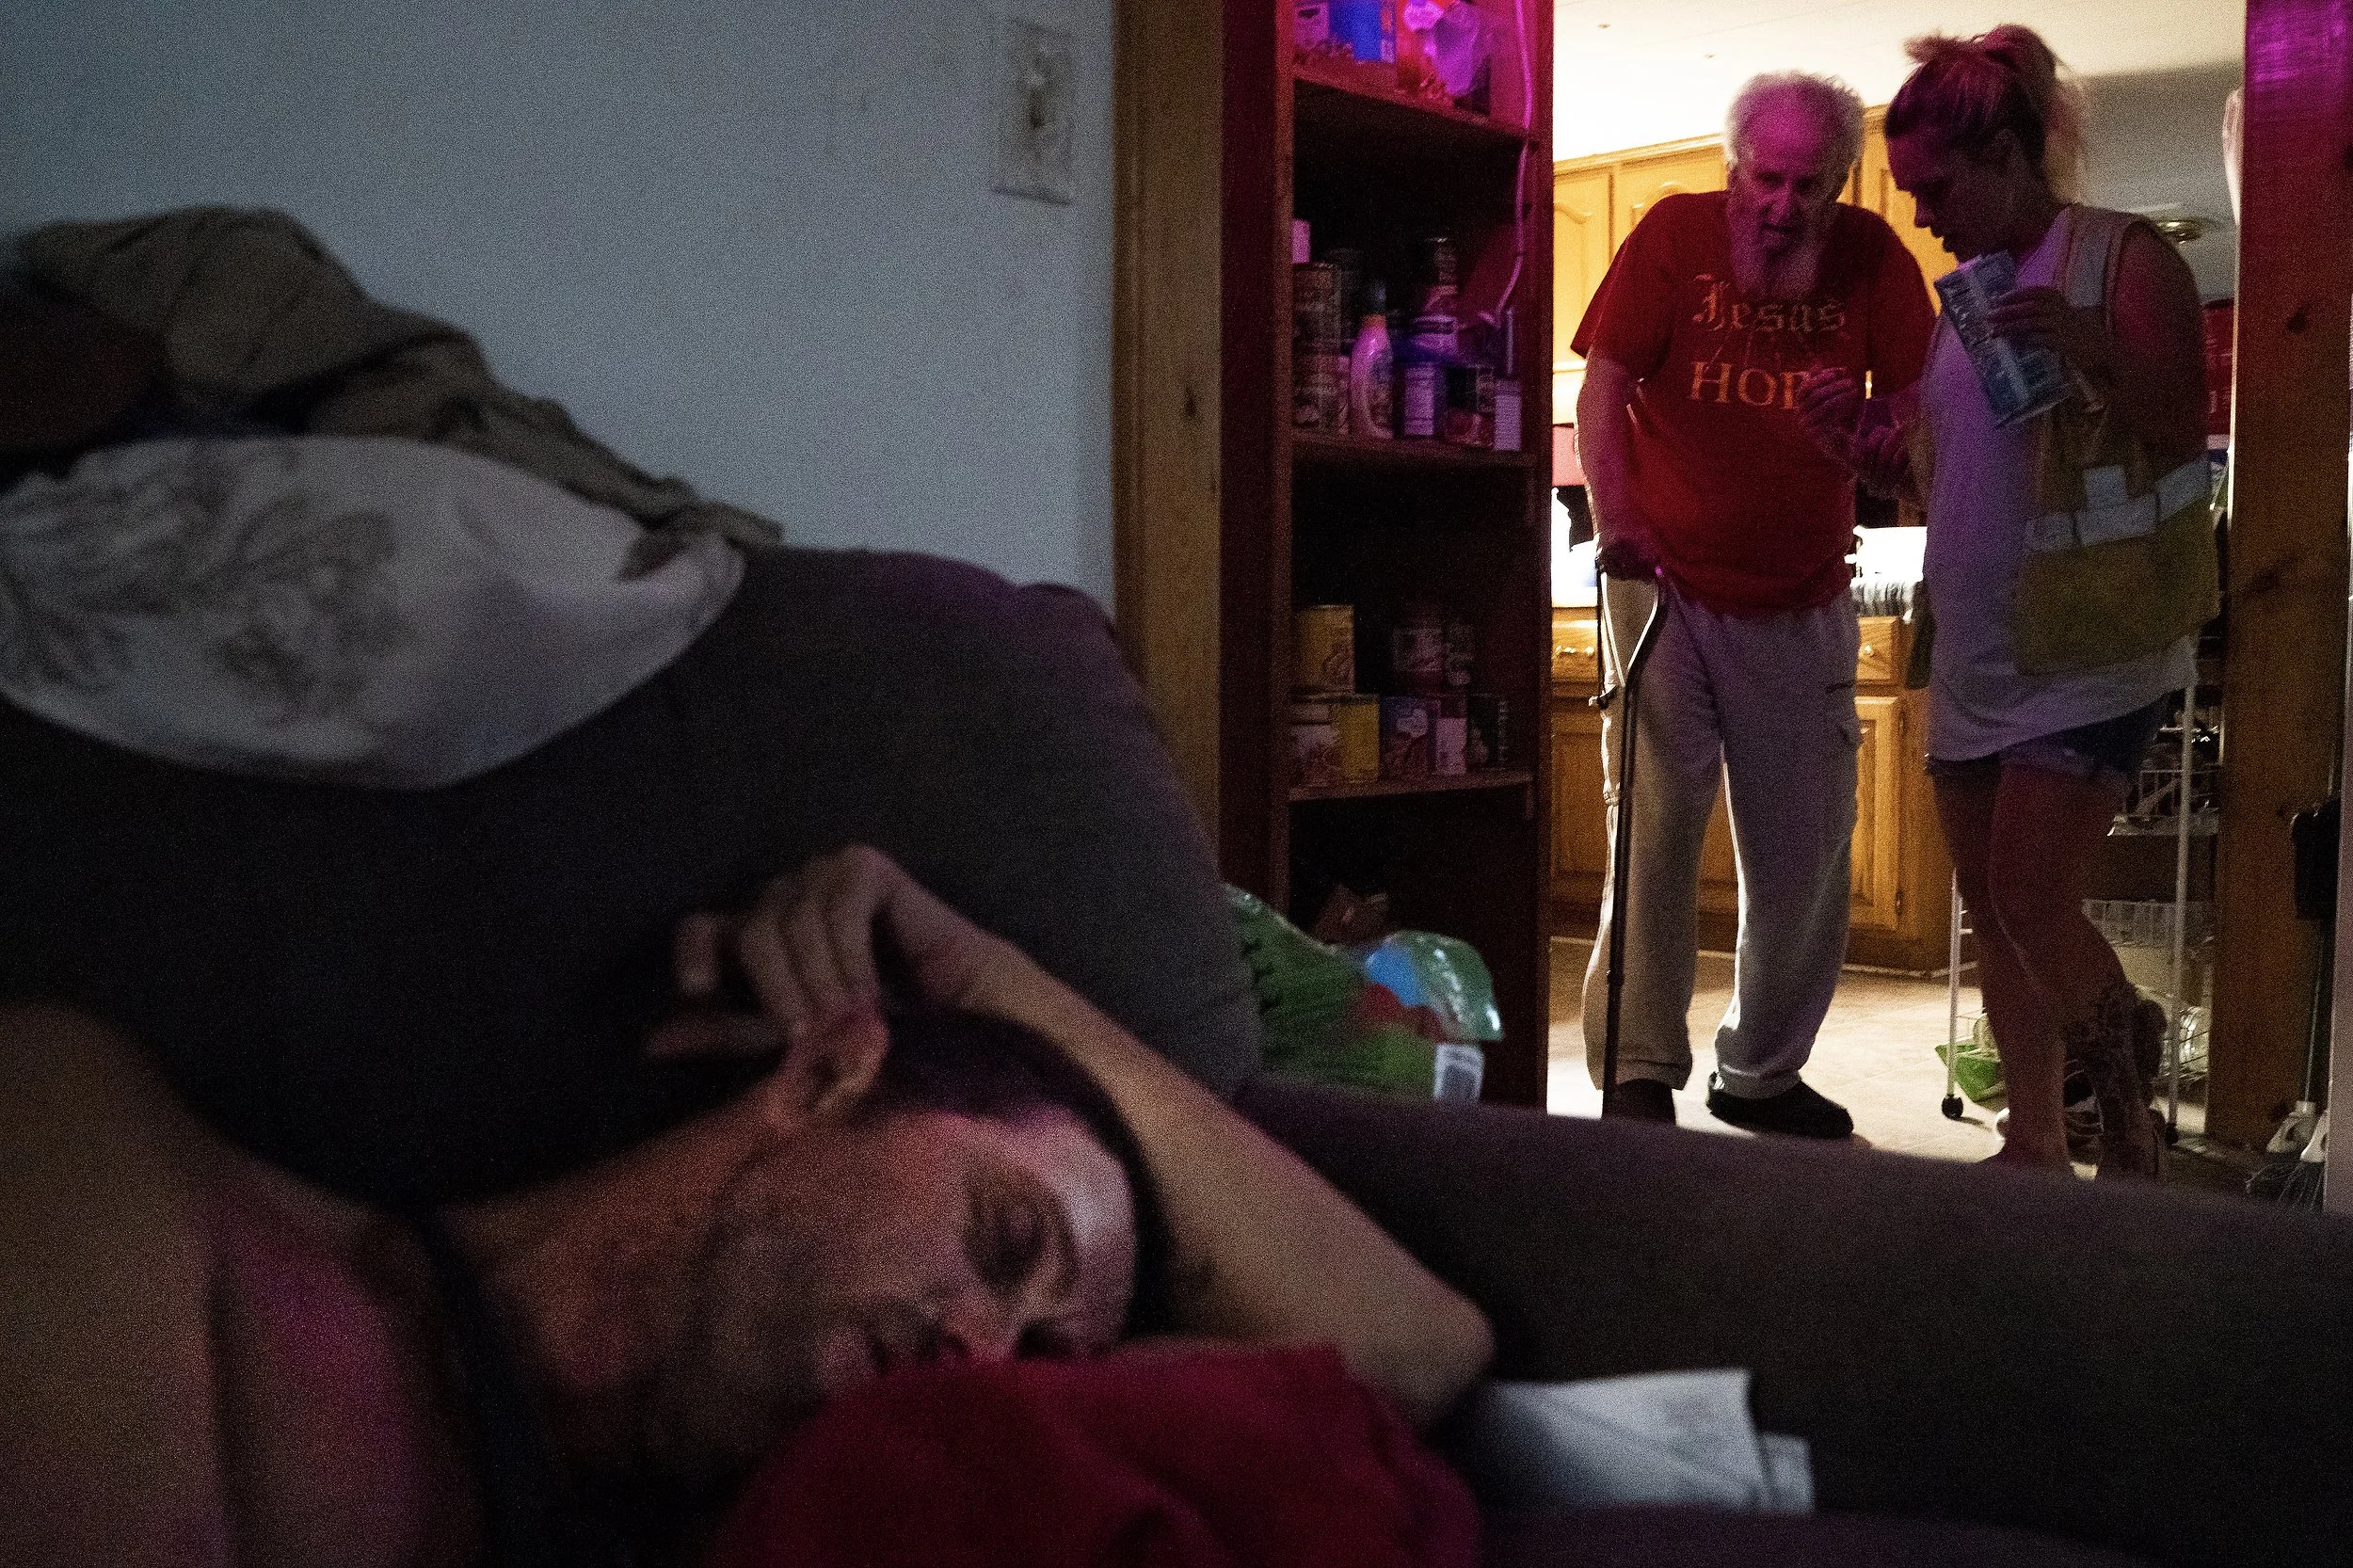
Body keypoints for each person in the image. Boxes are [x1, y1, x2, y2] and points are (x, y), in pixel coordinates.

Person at [1, 845, 1494, 1567]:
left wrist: (989, 971)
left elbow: (1411, 1347)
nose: (983, 1355)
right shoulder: (114, 1168)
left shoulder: (815, 1513)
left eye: (1038, 1362)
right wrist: (937, 987)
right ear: (834, 1068)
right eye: (1000, 1237)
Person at [1799, 26, 2208, 1179]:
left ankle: (2127, 1134)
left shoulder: (2122, 263)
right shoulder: (1968, 301)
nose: (1924, 214)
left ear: (2008, 159)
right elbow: (1950, 473)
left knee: (2032, 893)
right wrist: (1868, 450)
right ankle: (2032, 1137)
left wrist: (2086, 343)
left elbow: (2179, 420)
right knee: (1992, 903)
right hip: (1980, 643)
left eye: (1937, 188)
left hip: (2094, 638)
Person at [1571, 72, 1935, 1135]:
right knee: (1651, 833)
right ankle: (1637, 1070)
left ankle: (1761, 1073)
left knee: (1806, 849)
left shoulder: (1874, 260)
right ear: (1734, 173)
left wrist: (1866, 428)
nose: (1783, 206)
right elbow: (1603, 385)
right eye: (1765, 181)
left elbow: (1918, 423)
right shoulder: (1674, 238)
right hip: (1666, 590)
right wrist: (1619, 516)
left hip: (1802, 596)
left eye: (1808, 186)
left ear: (1841, 181)